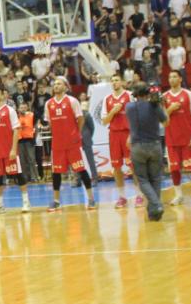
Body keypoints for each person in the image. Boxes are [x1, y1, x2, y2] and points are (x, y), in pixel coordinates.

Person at [44, 78, 96, 210]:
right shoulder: (48, 103)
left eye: (59, 84)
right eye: (54, 84)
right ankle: (56, 201)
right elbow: (50, 123)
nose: (56, 86)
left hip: (72, 143)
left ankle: (91, 199)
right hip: (57, 144)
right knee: (56, 173)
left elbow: (80, 119)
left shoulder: (72, 101)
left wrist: (76, 133)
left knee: (81, 170)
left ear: (65, 87)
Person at [0, 88, 30, 214]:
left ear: (2, 96)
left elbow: (16, 130)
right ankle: (0, 205)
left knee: (18, 176)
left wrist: (13, 149)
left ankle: (26, 202)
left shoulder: (10, 110)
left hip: (9, 151)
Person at [126, 84, 169, 221]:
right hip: (155, 145)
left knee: (143, 179)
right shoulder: (155, 106)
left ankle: (156, 206)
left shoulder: (129, 107)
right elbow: (166, 122)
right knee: (155, 178)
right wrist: (161, 105)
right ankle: (154, 210)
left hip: (138, 146)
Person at [162, 70, 191, 205]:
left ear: (180, 79)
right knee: (174, 169)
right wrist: (170, 109)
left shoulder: (189, 94)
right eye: (170, 77)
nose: (172, 79)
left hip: (188, 139)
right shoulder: (164, 97)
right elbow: (163, 121)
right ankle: (178, 195)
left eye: (175, 76)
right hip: (172, 140)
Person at [101, 74, 139, 208]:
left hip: (128, 133)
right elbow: (104, 121)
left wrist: (133, 134)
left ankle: (139, 195)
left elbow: (136, 116)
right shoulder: (107, 99)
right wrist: (113, 111)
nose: (114, 82)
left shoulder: (130, 95)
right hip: (114, 135)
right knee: (116, 168)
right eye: (112, 81)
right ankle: (122, 197)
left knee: (134, 166)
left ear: (122, 82)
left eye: (116, 80)